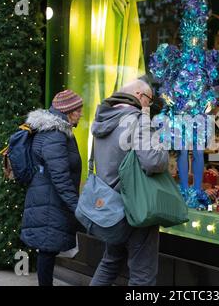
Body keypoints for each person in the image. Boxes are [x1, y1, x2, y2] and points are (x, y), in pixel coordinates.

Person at [79, 77, 169, 286]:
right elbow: (152, 161)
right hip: (135, 206)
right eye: (149, 99)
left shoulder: (102, 120)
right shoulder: (138, 120)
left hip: (110, 209)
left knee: (110, 263)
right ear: (139, 95)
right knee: (142, 275)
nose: (149, 105)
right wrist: (164, 151)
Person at [20, 90, 83, 286]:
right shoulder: (54, 134)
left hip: (49, 199)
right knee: (47, 250)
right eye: (78, 110)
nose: (81, 114)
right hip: (49, 202)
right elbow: (60, 176)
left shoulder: (56, 131)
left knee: (48, 250)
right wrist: (77, 207)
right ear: (68, 111)